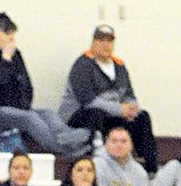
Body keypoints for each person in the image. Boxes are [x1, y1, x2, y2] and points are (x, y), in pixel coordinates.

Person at [0, 11, 89, 157]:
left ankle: (74, 139)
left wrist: (24, 105)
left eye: (13, 35)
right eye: (7, 34)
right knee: (30, 118)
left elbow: (27, 86)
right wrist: (5, 61)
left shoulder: (17, 57)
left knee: (48, 113)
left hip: (18, 109)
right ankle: (65, 150)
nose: (11, 39)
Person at [59, 24, 157, 172]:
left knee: (142, 117)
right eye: (101, 40)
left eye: (109, 41)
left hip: (111, 115)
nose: (105, 44)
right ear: (93, 42)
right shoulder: (83, 64)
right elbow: (88, 101)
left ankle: (150, 168)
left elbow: (129, 94)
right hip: (79, 116)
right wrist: (120, 109)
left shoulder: (119, 66)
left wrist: (132, 108)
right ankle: (97, 155)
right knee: (96, 113)